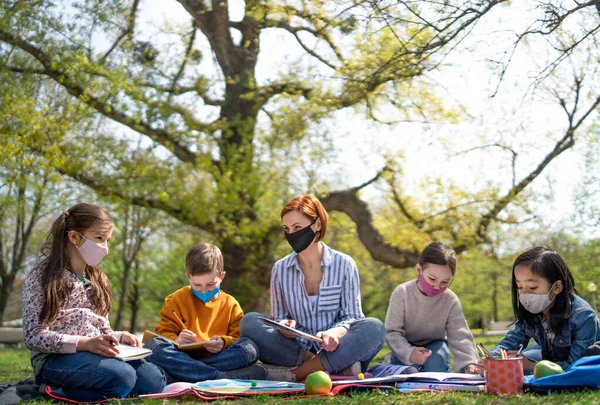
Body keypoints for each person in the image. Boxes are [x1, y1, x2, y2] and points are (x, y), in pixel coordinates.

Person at [22, 203, 166, 402]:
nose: (105, 248)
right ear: (74, 237)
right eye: (99, 238)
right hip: (54, 359)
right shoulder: (43, 277)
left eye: (107, 240)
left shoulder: (98, 280)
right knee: (123, 377)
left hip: (95, 355)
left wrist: (119, 336)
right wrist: (84, 344)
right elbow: (34, 336)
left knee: (154, 381)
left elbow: (99, 330)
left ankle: (109, 390)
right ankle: (55, 389)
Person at [240, 195, 386, 381]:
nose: (291, 234)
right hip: (295, 349)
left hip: (336, 346)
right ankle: (329, 367)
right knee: (250, 322)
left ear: (317, 224)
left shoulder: (344, 264)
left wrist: (335, 332)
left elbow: (353, 316)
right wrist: (284, 325)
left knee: (375, 328)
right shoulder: (280, 268)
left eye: (298, 227)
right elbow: (278, 317)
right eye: (287, 229)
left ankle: (295, 374)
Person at [144, 243, 261, 382]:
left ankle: (187, 373)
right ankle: (218, 376)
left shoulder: (231, 304)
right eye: (197, 285)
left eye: (211, 285)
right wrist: (177, 340)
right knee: (153, 346)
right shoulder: (176, 299)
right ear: (188, 277)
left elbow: (237, 338)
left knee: (250, 348)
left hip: (216, 358)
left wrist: (223, 342)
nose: (204, 291)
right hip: (183, 356)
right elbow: (163, 333)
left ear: (222, 276)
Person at [488, 246, 600, 373]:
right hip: (547, 358)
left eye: (532, 287)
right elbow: (511, 341)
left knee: (530, 358)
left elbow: (576, 367)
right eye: (519, 287)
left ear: (557, 287)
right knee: (528, 354)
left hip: (582, 364)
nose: (524, 294)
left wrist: (532, 366)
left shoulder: (583, 316)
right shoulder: (532, 312)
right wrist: (491, 358)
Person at [385, 242, 480, 374]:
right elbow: (392, 331)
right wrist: (409, 352)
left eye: (445, 282)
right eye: (432, 279)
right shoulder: (402, 292)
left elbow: (460, 334)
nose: (437, 286)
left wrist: (469, 363)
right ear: (419, 270)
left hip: (435, 343)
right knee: (405, 373)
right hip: (406, 343)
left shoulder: (450, 300)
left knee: (437, 366)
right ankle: (393, 362)